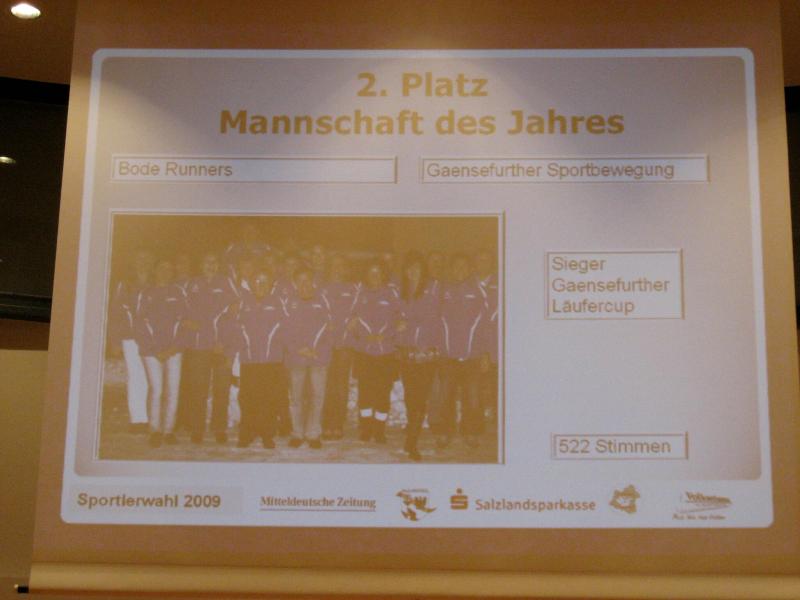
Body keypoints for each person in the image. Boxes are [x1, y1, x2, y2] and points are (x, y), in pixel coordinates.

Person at [180, 252, 240, 444]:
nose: (211, 265)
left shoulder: (226, 282)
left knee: (221, 388)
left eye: (214, 262)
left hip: (221, 344)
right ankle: (197, 428)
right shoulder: (192, 284)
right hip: (199, 344)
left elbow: (235, 309)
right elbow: (181, 309)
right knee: (199, 388)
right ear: (200, 264)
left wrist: (224, 340)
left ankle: (219, 427)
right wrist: (185, 322)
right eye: (207, 261)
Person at [435, 253, 491, 448]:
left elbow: (485, 324)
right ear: (451, 269)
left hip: (472, 355)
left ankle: (471, 432)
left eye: (464, 266)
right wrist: (438, 348)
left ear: (470, 269)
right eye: (456, 266)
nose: (460, 270)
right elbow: (436, 320)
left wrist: (485, 353)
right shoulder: (443, 291)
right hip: (447, 355)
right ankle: (445, 432)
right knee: (445, 396)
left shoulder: (478, 291)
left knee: (473, 398)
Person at [134, 259, 187, 447]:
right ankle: (154, 430)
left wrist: (174, 347)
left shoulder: (178, 292)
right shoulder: (145, 293)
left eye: (169, 269)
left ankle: (168, 431)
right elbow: (139, 323)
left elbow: (185, 322)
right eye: (162, 268)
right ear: (155, 270)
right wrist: (155, 349)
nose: (166, 272)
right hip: (151, 351)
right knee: (157, 389)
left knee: (173, 390)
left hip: (174, 350)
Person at [350, 260, 404, 443]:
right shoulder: (360, 293)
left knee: (382, 392)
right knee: (365, 391)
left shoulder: (391, 293)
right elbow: (351, 320)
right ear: (366, 275)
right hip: (364, 352)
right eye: (371, 272)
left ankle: (379, 429)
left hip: (386, 353)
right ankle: (366, 428)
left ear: (383, 275)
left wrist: (387, 336)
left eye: (378, 272)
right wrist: (362, 336)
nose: (375, 276)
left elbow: (401, 320)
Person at [397, 251, 442, 461]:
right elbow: (396, 316)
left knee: (420, 397)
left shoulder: (433, 287)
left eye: (417, 268)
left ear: (423, 270)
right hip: (406, 352)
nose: (413, 272)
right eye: (410, 268)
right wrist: (398, 325)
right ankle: (411, 432)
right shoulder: (403, 291)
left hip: (425, 352)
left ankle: (412, 441)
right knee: (410, 395)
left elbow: (432, 317)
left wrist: (408, 323)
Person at [235, 270, 288, 449]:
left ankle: (267, 434)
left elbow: (286, 326)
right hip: (249, 359)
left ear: (271, 283)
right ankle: (246, 433)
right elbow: (235, 326)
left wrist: (280, 348)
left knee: (269, 399)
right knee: (247, 398)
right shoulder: (243, 303)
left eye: (265, 281)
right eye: (257, 280)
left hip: (271, 360)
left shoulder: (278, 302)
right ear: (251, 284)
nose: (261, 285)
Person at [283, 268, 333, 449]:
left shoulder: (323, 301)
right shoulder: (289, 302)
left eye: (308, 280)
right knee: (296, 397)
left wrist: (318, 350)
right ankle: (297, 433)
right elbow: (284, 330)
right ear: (295, 283)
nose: (304, 284)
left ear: (313, 281)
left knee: (317, 396)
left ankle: (313, 433)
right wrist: (298, 349)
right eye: (300, 281)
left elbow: (330, 330)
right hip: (296, 358)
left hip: (318, 358)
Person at [108, 249, 154, 434]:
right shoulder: (125, 284)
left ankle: (152, 418)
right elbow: (115, 313)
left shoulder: (156, 282)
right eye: (139, 258)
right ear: (134, 262)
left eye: (146, 258)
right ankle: (138, 420)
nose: (143, 262)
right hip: (131, 338)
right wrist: (115, 340)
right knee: (136, 377)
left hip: (153, 338)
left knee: (152, 378)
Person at [320, 254, 360, 440]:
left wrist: (357, 319)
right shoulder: (321, 289)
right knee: (328, 384)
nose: (337, 269)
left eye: (341, 265)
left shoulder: (354, 289)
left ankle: (337, 423)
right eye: (334, 265)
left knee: (341, 384)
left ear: (346, 269)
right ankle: (327, 422)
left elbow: (363, 309)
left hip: (345, 344)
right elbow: (314, 312)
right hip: (326, 344)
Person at [474, 249, 499, 429]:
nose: (483, 263)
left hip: (496, 344)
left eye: (487, 260)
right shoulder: (467, 282)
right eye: (479, 260)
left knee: (497, 385)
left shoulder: (502, 282)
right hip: (473, 343)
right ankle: (477, 424)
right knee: (476, 387)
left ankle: (499, 422)